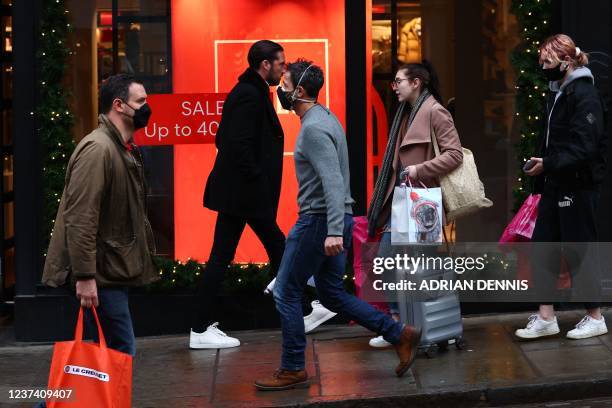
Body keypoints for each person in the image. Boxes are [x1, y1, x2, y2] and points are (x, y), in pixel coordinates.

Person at [254, 59, 421, 391]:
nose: (281, 92)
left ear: (299, 91)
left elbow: (331, 181)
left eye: (284, 86)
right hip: (333, 219)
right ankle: (399, 334)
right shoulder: (325, 117)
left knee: (286, 292)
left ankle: (292, 367)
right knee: (331, 293)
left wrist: (332, 231)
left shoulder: (313, 129)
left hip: (318, 222)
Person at [42, 73, 158, 357]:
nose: (146, 107)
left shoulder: (120, 148)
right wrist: (85, 276)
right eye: (140, 101)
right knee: (117, 353)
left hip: (110, 270)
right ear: (119, 105)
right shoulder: (99, 150)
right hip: (101, 275)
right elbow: (81, 218)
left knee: (108, 356)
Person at [190, 40, 287, 349]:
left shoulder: (252, 92)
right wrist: (257, 179)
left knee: (274, 246)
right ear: (265, 65)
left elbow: (223, 137)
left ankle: (200, 325)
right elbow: (235, 144)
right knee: (266, 248)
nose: (283, 69)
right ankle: (200, 327)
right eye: (280, 64)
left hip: (242, 194)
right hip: (245, 195)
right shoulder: (249, 95)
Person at [516, 34, 608, 340]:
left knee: (579, 248)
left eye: (547, 60)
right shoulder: (560, 93)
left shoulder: (584, 94)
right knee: (544, 246)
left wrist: (548, 163)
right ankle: (546, 317)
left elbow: (585, 146)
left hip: (578, 185)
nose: (542, 65)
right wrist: (543, 163)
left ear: (566, 62)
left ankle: (595, 317)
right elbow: (557, 142)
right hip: (556, 183)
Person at [366, 61, 463, 347]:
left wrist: (420, 170)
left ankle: (425, 327)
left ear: (417, 82)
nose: (394, 86)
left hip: (422, 203)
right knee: (387, 263)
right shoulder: (405, 113)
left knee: (419, 268)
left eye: (399, 81)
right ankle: (399, 327)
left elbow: (454, 154)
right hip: (400, 200)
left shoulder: (435, 111)